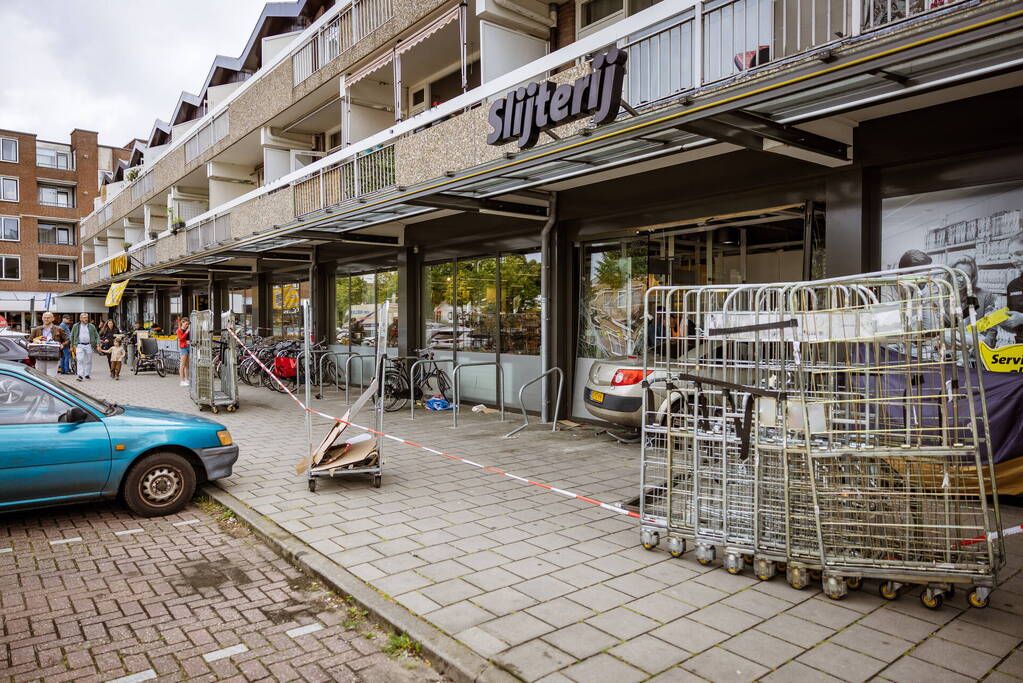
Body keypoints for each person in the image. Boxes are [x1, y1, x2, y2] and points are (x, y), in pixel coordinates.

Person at [29, 311, 68, 377]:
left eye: (48, 317)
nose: (46, 319)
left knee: (51, 377)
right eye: (45, 317)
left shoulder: (59, 329)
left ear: (53, 319)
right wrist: (29, 345)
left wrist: (62, 345)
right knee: (40, 376)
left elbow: (67, 340)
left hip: (53, 356)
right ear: (42, 318)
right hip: (40, 356)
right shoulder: (36, 329)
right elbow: (29, 341)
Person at [70, 313, 99, 381]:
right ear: (80, 318)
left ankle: (87, 374)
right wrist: (71, 346)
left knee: (89, 360)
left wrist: (98, 345)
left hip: (89, 345)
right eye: (84, 317)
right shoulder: (76, 326)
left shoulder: (91, 326)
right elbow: (72, 336)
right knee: (80, 360)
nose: (85, 319)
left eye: (86, 317)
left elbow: (97, 336)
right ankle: (80, 375)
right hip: (79, 345)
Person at [177, 317, 191, 387]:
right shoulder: (179, 330)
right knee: (182, 365)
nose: (187, 326)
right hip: (183, 348)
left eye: (188, 324)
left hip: (188, 347)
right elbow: (181, 338)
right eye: (185, 324)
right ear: (182, 323)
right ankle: (182, 381)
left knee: (187, 365)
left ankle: (186, 379)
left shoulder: (187, 330)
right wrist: (186, 332)